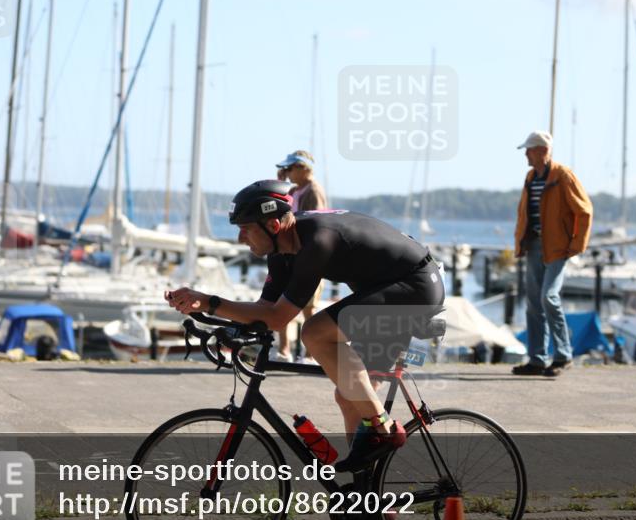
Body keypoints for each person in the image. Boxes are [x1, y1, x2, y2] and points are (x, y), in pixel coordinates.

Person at [165, 180, 444, 474]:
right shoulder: (282, 251)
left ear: (273, 225)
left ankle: (384, 428)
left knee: (314, 332)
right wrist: (216, 322)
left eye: (245, 228)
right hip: (388, 288)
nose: (240, 239)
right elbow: (264, 311)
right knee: (350, 398)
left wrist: (209, 301)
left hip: (416, 288)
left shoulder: (316, 243)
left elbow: (278, 318)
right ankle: (368, 501)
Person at [511, 130, 593, 376]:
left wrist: (577, 244)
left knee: (549, 297)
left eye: (529, 149)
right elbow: (523, 212)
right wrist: (520, 241)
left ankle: (563, 355)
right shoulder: (530, 176)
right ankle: (536, 359)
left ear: (543, 151)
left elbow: (584, 210)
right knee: (533, 303)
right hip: (534, 245)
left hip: (558, 246)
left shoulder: (562, 176)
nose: (526, 153)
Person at [273, 151, 328, 361]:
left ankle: (311, 354)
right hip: (292, 255)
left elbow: (316, 224)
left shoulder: (313, 191)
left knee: (308, 307)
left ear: (303, 168)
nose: (287, 173)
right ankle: (284, 350)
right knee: (283, 302)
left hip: (308, 257)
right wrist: (280, 182)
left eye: (290, 169)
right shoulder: (296, 189)